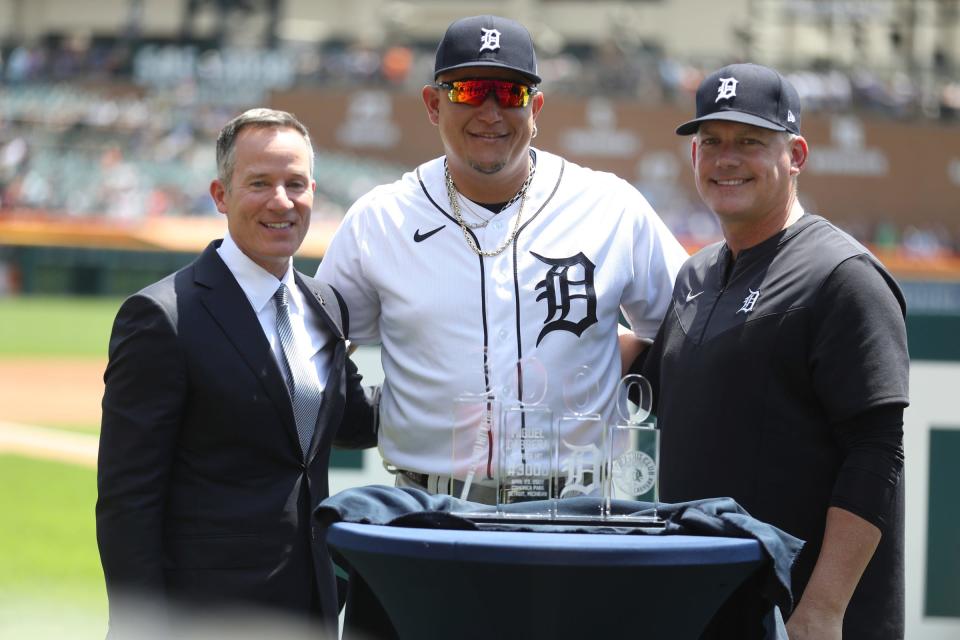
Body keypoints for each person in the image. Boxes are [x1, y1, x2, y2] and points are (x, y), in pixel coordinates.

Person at [317, 15, 687, 503]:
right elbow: (313, 351)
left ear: (535, 107)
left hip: (576, 507)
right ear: (433, 104)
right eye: (470, 90)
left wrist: (630, 364)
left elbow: (694, 329)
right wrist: (382, 411)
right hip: (430, 507)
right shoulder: (380, 218)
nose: (491, 112)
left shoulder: (610, 206)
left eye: (510, 94)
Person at [638, 63, 909, 639]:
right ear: (693, 158)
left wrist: (824, 608)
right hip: (707, 609)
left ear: (797, 155)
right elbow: (665, 383)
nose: (725, 158)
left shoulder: (842, 275)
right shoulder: (697, 274)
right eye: (710, 142)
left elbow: (877, 451)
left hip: (801, 616)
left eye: (750, 142)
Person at [96, 108, 377, 636]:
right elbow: (127, 499)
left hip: (314, 603)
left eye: (296, 183)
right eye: (260, 183)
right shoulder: (161, 317)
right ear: (220, 195)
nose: (281, 200)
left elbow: (353, 422)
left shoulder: (325, 305)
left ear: (314, 191)